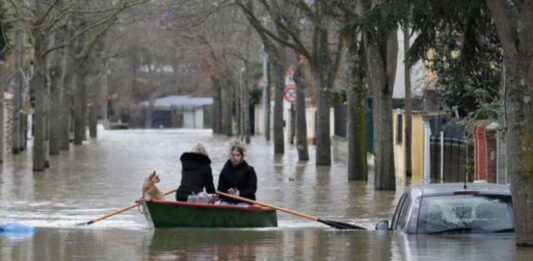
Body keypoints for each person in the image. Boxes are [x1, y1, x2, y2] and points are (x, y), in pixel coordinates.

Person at [217, 140, 257, 205]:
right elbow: (220, 190)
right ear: (230, 156)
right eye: (233, 155)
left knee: (240, 206)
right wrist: (227, 193)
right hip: (228, 200)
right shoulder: (224, 171)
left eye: (238, 155)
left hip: (244, 201)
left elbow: (252, 190)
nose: (235, 158)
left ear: (242, 156)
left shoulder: (250, 170)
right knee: (223, 205)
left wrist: (240, 193)